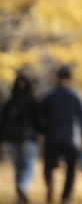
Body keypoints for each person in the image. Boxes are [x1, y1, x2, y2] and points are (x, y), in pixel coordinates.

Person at [41, 65, 82, 204]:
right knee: (71, 169)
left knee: (48, 165)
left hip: (52, 137)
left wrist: (42, 133)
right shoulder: (76, 97)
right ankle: (65, 197)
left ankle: (49, 180)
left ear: (57, 77)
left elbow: (41, 118)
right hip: (71, 138)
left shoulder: (49, 96)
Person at [0, 73, 43, 203]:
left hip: (12, 139)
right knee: (29, 165)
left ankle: (19, 195)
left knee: (18, 167)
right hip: (28, 139)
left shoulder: (10, 102)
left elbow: (3, 121)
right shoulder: (32, 101)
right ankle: (23, 186)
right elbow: (39, 121)